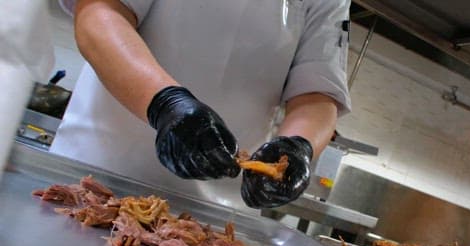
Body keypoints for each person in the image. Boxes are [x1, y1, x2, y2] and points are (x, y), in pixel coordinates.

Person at [50, 0, 351, 213]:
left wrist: (298, 147)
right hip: (94, 182)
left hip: (214, 221)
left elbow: (318, 92)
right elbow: (99, 15)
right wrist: (165, 104)